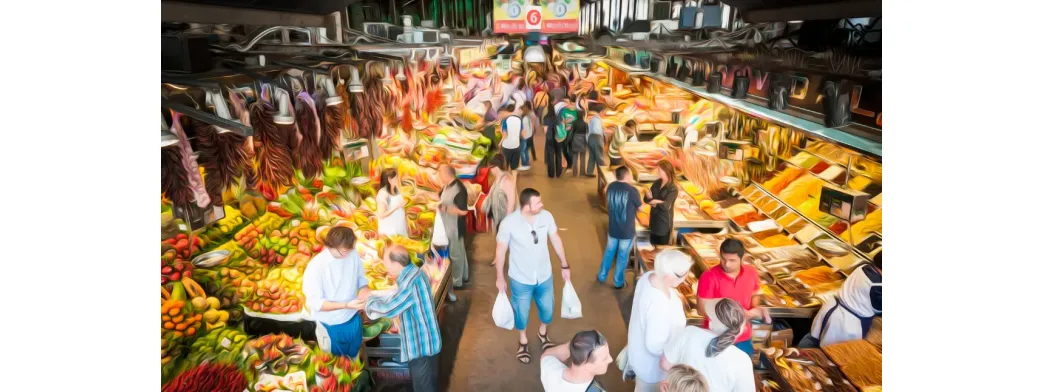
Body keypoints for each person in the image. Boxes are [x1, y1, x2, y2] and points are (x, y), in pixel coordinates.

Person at [494, 188, 572, 364]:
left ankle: (542, 333)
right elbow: (500, 251)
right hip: (520, 279)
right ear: (527, 206)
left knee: (548, 310)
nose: (542, 205)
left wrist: (564, 264)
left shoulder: (546, 217)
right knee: (521, 313)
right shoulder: (509, 223)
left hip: (544, 276)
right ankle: (523, 341)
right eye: (538, 203)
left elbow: (556, 239)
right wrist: (500, 277)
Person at [353, 245, 441, 392]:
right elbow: (397, 297)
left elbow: (388, 308)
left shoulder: (410, 283)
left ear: (396, 264)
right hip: (426, 341)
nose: (385, 268)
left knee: (423, 387)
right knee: (427, 383)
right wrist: (373, 294)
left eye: (386, 264)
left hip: (421, 345)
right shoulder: (414, 273)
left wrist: (367, 301)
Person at [627, 250, 692, 392]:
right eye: (683, 275)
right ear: (667, 276)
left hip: (641, 358)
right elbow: (655, 345)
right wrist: (677, 355)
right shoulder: (658, 304)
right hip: (654, 369)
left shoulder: (648, 277)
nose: (686, 278)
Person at [302, 227, 371, 358]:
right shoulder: (316, 266)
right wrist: (346, 305)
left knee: (354, 361)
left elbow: (361, 278)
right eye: (344, 250)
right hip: (330, 325)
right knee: (336, 367)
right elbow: (317, 304)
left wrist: (364, 289)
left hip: (353, 320)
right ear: (331, 245)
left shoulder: (353, 254)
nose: (348, 253)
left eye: (350, 249)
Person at [661, 298, 756, 392]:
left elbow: (665, 364)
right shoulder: (742, 360)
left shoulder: (690, 332)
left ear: (711, 322)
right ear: (740, 330)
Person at [695, 239, 770, 355]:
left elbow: (754, 294)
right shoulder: (709, 277)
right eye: (723, 259)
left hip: (743, 337)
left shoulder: (751, 273)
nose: (727, 264)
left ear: (742, 258)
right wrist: (735, 313)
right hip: (716, 337)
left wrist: (756, 308)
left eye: (732, 260)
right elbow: (701, 309)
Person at [800, 252, 882, 348]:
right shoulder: (878, 286)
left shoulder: (864, 267)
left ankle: (792, 356)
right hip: (847, 323)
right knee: (827, 353)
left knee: (812, 338)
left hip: (832, 308)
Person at [598, 166, 641, 289]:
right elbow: (640, 208)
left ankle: (602, 275)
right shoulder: (632, 191)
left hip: (613, 228)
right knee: (622, 256)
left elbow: (606, 190)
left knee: (609, 252)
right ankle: (618, 282)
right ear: (627, 176)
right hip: (626, 231)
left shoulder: (611, 186)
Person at [541, 330, 613, 392]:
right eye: (605, 358)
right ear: (586, 365)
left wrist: (573, 344)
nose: (610, 359)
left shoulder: (549, 365)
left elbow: (547, 354)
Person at [437, 164, 470, 302]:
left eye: (440, 173)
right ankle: (464, 275)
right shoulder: (447, 185)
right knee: (460, 252)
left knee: (455, 255)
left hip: (455, 227)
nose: (439, 176)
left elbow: (464, 211)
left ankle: (457, 282)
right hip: (448, 226)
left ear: (447, 174)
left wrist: (447, 209)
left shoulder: (459, 189)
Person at [481, 155, 518, 265]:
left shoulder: (507, 181)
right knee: (500, 238)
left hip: (505, 216)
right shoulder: (498, 178)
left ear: (496, 167)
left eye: (490, 168)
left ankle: (510, 260)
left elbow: (511, 202)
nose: (490, 171)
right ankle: (498, 257)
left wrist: (507, 220)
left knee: (508, 240)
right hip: (498, 215)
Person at [644, 161, 679, 246]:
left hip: (663, 224)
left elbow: (666, 206)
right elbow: (646, 200)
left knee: (661, 250)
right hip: (653, 221)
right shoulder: (657, 183)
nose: (658, 172)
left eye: (660, 170)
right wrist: (649, 197)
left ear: (666, 171)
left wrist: (655, 201)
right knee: (653, 247)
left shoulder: (673, 188)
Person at [376, 168, 408, 237]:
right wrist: (397, 207)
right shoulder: (383, 194)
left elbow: (402, 208)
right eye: (396, 178)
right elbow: (382, 215)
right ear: (390, 179)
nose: (398, 179)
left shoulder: (396, 189)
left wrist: (407, 226)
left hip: (400, 228)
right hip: (390, 232)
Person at [557, 96, 579, 171]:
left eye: (566, 102)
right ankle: (567, 162)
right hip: (565, 133)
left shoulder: (577, 111)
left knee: (570, 149)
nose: (565, 104)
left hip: (573, 134)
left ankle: (570, 165)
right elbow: (562, 121)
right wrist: (563, 127)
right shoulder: (564, 111)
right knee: (564, 149)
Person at [544, 101, 565, 178]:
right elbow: (562, 125)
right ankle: (558, 173)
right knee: (558, 155)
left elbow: (545, 130)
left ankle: (551, 174)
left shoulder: (546, 118)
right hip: (558, 138)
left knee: (550, 156)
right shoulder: (558, 117)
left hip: (549, 138)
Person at [500, 105, 523, 171]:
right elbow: (522, 134)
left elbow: (505, 135)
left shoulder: (505, 120)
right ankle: (514, 180)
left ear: (506, 111)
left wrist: (500, 143)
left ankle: (506, 180)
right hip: (516, 146)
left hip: (506, 146)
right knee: (514, 168)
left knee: (505, 167)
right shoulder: (519, 119)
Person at [586, 103, 606, 176]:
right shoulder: (597, 120)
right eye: (604, 111)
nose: (605, 113)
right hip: (596, 138)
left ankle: (589, 172)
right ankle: (604, 173)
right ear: (601, 111)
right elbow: (597, 131)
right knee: (599, 156)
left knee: (592, 156)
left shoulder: (593, 119)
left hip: (591, 138)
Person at [570, 110, 589, 177]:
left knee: (575, 157)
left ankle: (574, 173)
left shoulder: (574, 123)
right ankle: (582, 173)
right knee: (582, 157)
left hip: (575, 139)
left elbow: (571, 132)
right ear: (583, 116)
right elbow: (587, 134)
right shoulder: (585, 124)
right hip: (583, 140)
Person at [520, 101, 538, 171]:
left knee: (523, 150)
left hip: (525, 136)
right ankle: (527, 162)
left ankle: (525, 164)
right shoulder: (528, 116)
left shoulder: (525, 118)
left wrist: (521, 136)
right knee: (526, 150)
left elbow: (523, 129)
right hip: (529, 135)